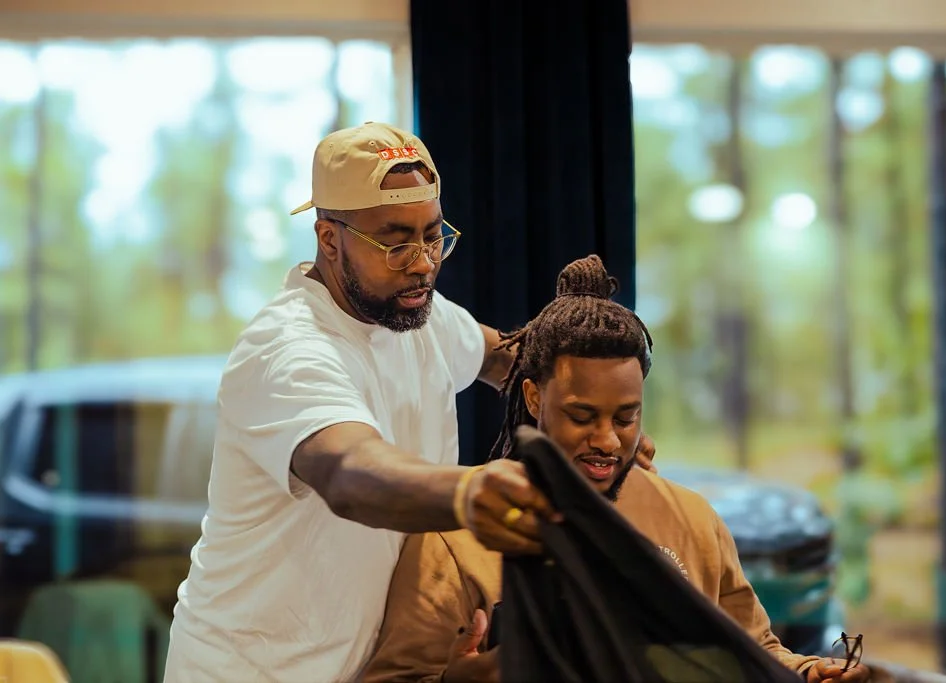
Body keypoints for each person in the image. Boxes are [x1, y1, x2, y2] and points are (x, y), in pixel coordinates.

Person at [162, 123, 653, 683]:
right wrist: (471, 492)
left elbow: (510, 360)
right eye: (395, 242)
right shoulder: (289, 351)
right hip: (252, 670)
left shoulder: (419, 314)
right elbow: (351, 472)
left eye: (432, 235)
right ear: (329, 239)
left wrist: (594, 422)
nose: (422, 263)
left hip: (370, 663)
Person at [361, 255, 872, 683]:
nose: (606, 440)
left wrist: (807, 673)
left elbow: (752, 650)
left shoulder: (691, 519)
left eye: (626, 417)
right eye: (581, 416)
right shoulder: (456, 540)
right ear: (535, 397)